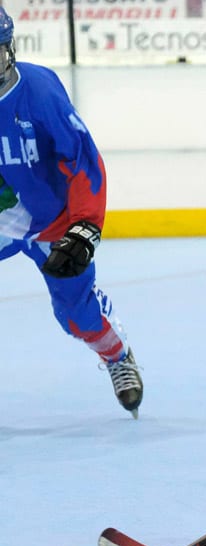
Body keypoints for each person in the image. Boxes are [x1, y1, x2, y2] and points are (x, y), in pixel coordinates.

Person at [0, 7, 143, 418]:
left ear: (10, 50)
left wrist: (84, 228)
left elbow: (82, 161)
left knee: (75, 315)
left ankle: (117, 356)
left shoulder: (39, 91)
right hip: (4, 217)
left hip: (54, 219)